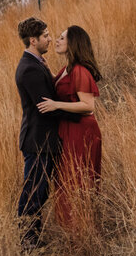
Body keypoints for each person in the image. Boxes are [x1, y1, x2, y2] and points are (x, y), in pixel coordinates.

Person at [14, 16, 78, 248]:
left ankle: (33, 238)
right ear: (33, 40)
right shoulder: (29, 69)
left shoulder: (37, 62)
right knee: (33, 191)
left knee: (40, 190)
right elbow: (46, 107)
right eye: (45, 36)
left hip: (43, 139)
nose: (50, 39)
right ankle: (28, 241)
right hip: (38, 140)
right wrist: (77, 115)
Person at [37, 25, 102, 232]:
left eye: (62, 38)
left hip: (82, 130)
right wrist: (47, 71)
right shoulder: (66, 69)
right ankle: (73, 232)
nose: (56, 40)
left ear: (73, 43)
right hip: (69, 129)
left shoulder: (80, 70)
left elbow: (88, 105)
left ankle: (82, 231)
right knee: (66, 179)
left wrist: (56, 105)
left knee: (77, 179)